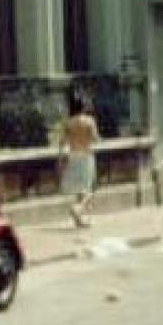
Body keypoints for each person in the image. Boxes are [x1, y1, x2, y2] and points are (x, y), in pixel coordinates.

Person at [58, 92, 99, 229]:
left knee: (78, 189)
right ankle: (78, 208)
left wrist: (60, 159)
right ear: (83, 106)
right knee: (89, 187)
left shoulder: (68, 123)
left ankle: (79, 220)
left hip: (73, 156)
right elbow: (95, 138)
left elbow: (62, 142)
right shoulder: (89, 121)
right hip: (86, 155)